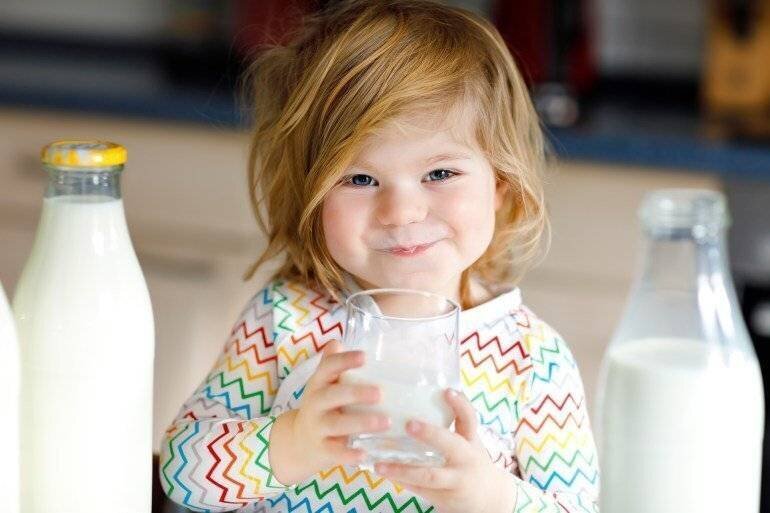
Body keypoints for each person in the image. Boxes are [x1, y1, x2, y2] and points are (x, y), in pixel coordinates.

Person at [159, 1, 600, 511]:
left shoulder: (531, 358)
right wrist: (293, 443)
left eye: (439, 174)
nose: (401, 211)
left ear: (500, 184)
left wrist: (489, 495)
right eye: (360, 179)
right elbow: (183, 472)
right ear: (312, 195)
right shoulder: (286, 319)